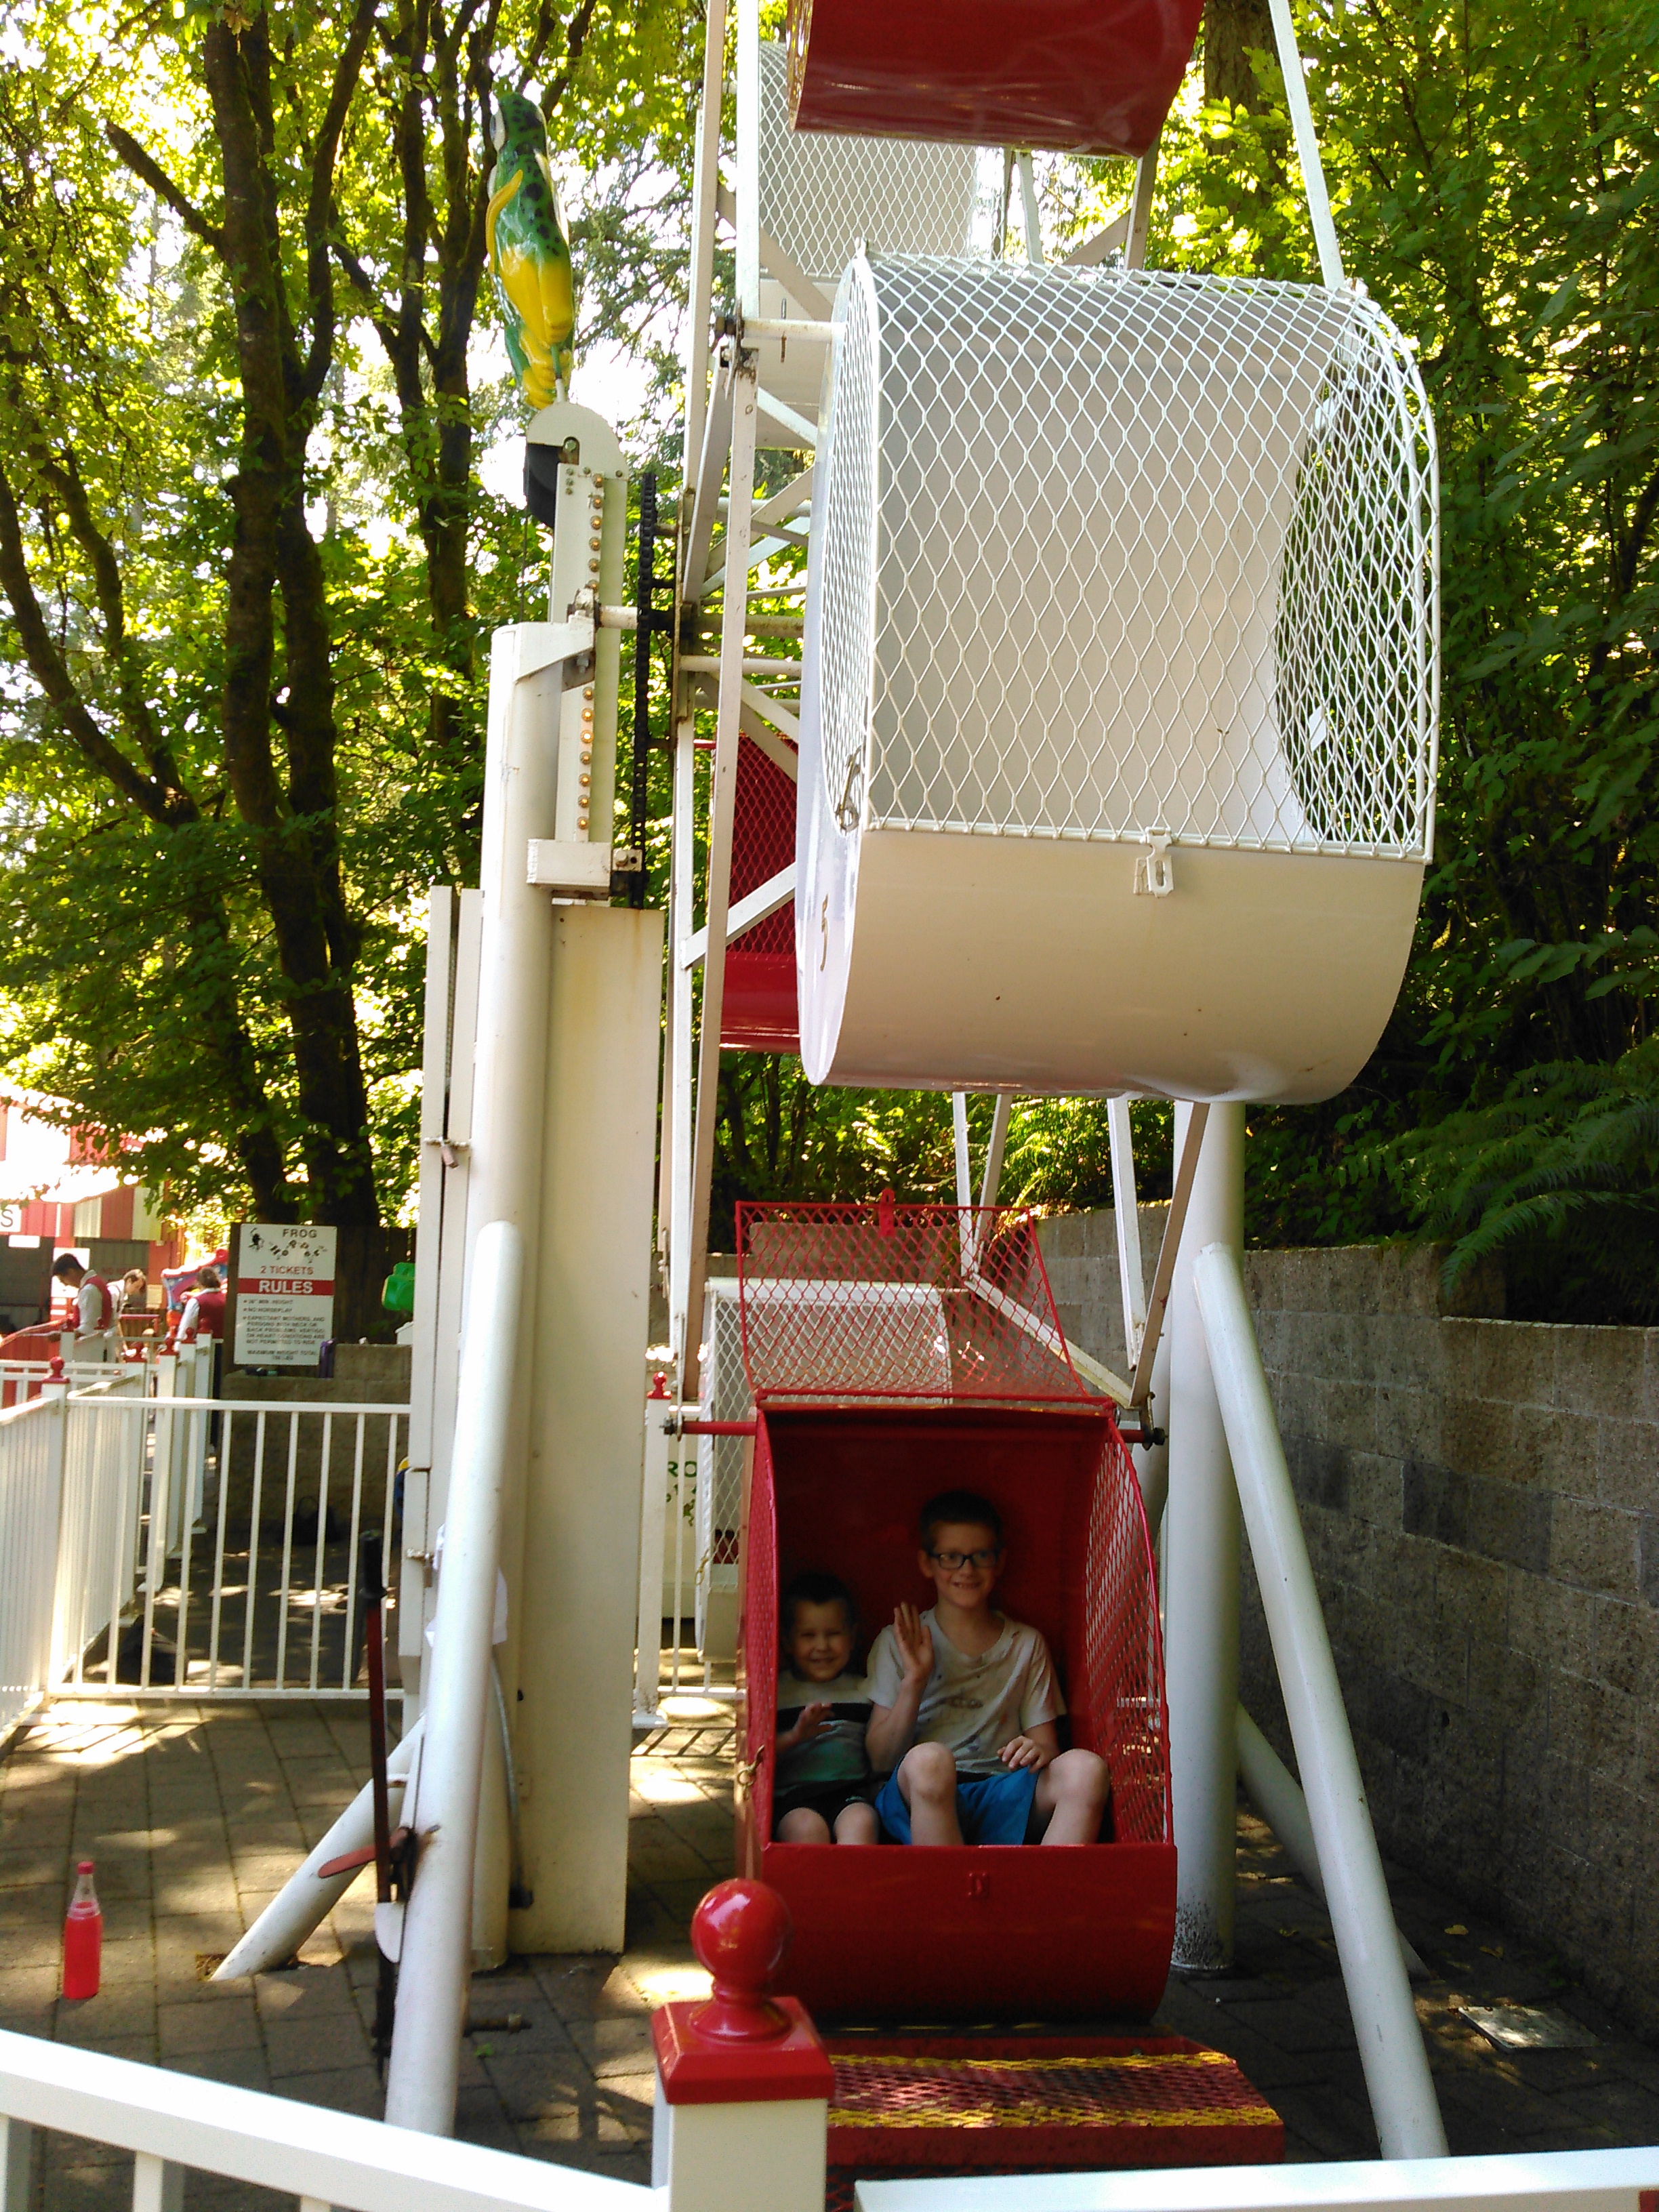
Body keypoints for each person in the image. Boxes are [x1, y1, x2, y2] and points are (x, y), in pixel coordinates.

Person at [865, 1488, 1110, 1847]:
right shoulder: (898, 1640)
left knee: (1087, 1771)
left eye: (980, 1555)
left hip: (1004, 1790)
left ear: (999, 1561)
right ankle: (946, 1898)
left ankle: (1044, 1899)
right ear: (926, 1563)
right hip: (922, 1794)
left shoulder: (1026, 1644)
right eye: (951, 1557)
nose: (967, 1569)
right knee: (931, 1761)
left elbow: (1046, 1747)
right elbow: (880, 1760)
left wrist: (1037, 1751)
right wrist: (915, 1681)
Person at [772, 1570, 879, 1845]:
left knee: (862, 1823)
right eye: (808, 1635)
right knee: (806, 1830)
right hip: (795, 1798)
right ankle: (814, 1889)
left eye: (833, 1634)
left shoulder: (865, 1690)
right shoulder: (778, 1692)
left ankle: (853, 1889)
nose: (822, 1646)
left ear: (852, 1637)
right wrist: (795, 1737)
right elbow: (759, 1756)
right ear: (788, 1642)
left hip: (852, 1793)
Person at [51, 1252, 115, 1355]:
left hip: (90, 1351)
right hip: (101, 1347)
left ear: (71, 1272)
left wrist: (60, 1336)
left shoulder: (88, 1290)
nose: (65, 1284)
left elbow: (88, 1328)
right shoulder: (97, 1283)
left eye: (63, 1280)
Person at [178, 1265, 226, 1343]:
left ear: (198, 1283)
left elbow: (187, 1327)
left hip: (202, 1348)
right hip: (226, 1348)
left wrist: (178, 1347)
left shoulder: (196, 1301)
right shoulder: (227, 1300)